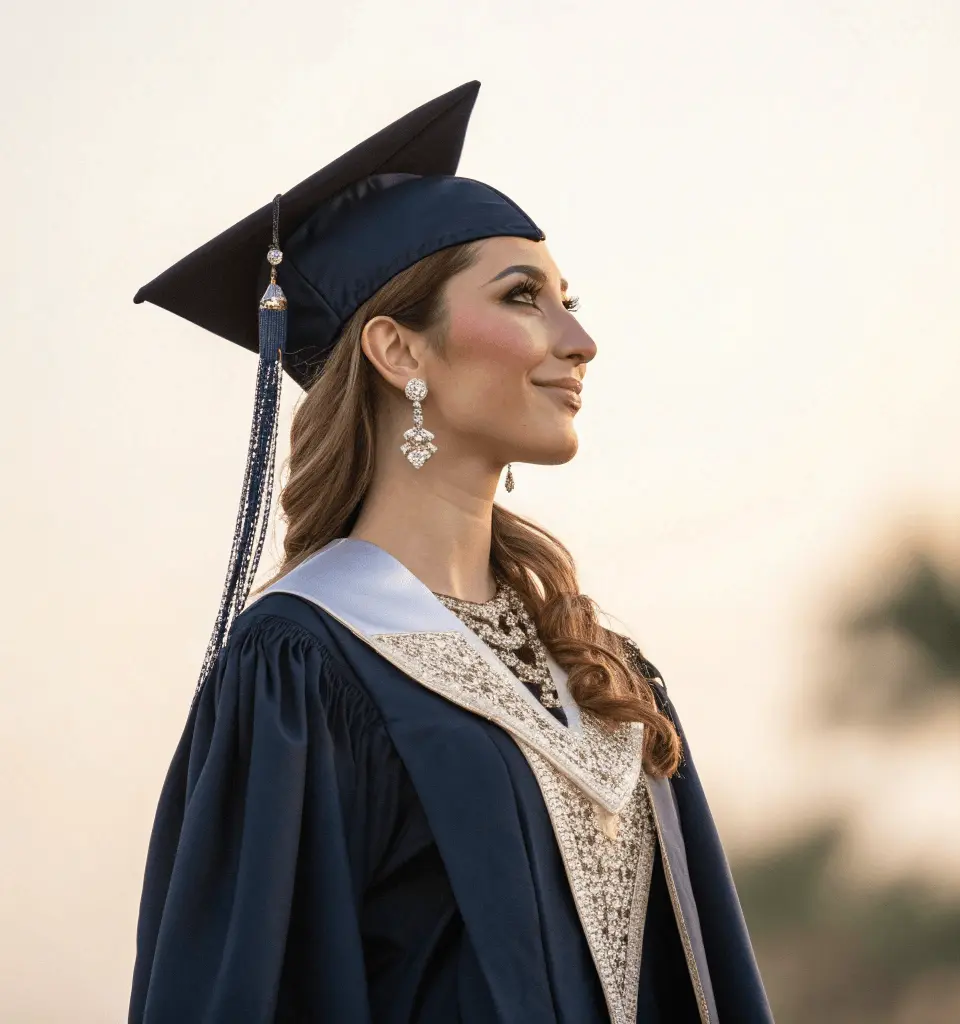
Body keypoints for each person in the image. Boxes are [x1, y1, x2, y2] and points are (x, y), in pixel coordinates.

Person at [128, 81, 774, 1024]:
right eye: (524, 299)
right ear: (399, 351)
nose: (579, 340)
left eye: (570, 302)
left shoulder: (600, 674)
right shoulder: (301, 671)